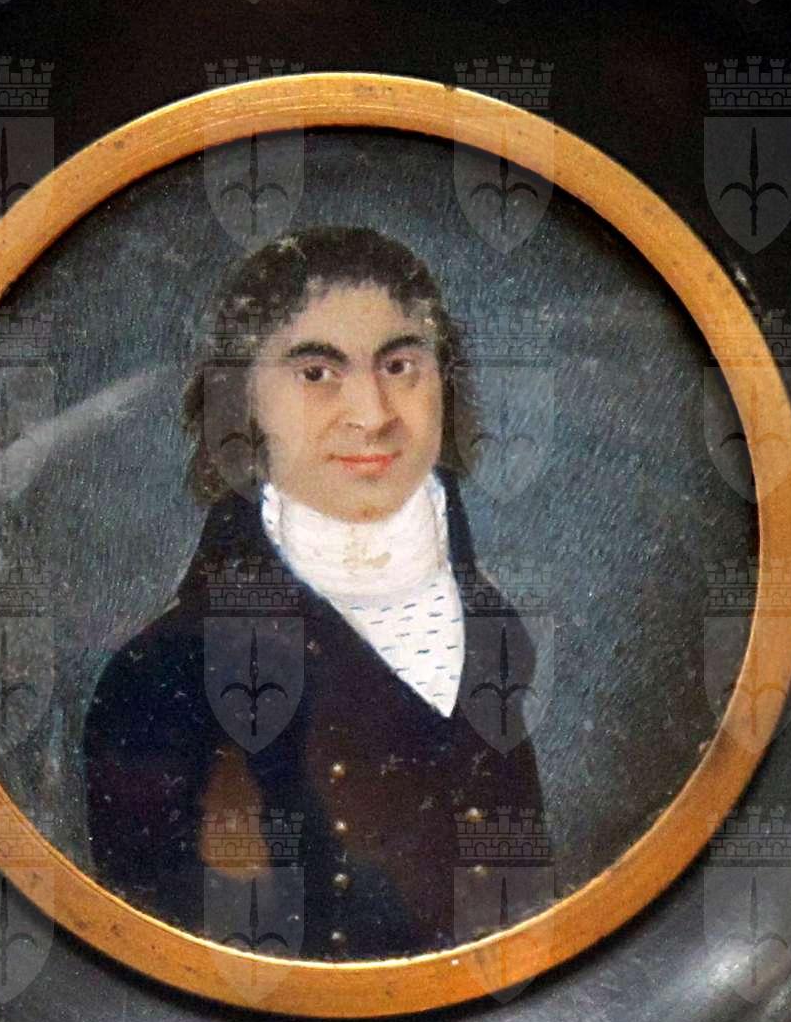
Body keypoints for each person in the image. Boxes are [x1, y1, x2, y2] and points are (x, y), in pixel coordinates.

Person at [81, 225, 547, 960]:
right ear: (243, 403)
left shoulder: (491, 626)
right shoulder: (162, 677)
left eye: (400, 365)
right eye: (317, 373)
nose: (372, 413)